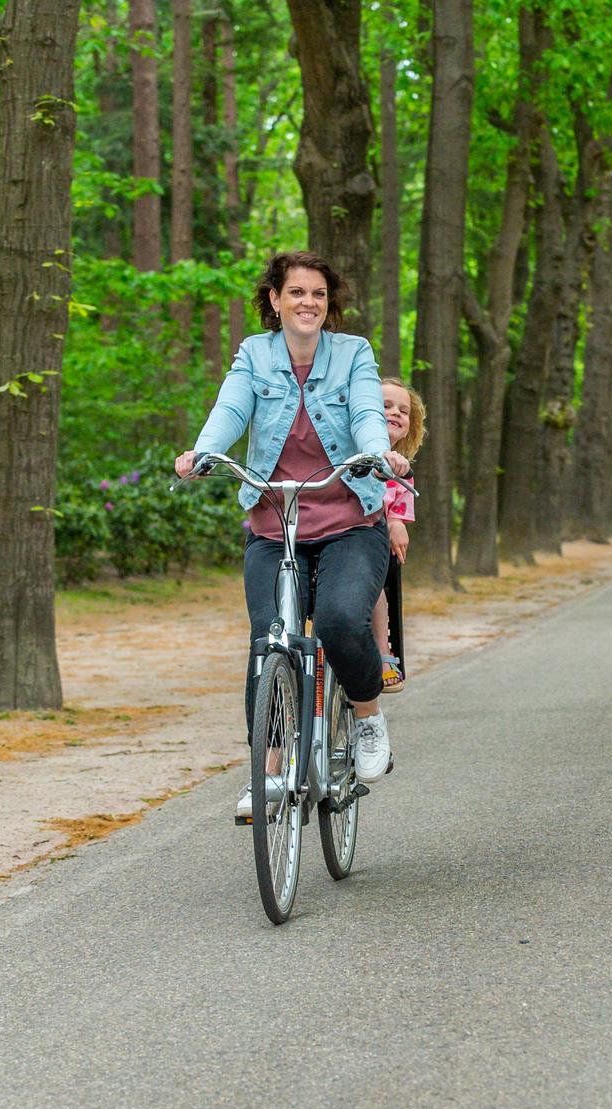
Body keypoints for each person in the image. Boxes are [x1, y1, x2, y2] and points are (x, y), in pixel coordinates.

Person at [173, 251, 411, 820]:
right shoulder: (254, 354)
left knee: (338, 620)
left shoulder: (353, 353)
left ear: (329, 304)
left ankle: (368, 716)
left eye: (319, 294)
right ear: (275, 300)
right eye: (297, 292)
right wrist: (205, 451)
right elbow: (232, 408)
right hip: (275, 525)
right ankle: (269, 774)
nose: (309, 303)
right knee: (269, 641)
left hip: (349, 522)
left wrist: (378, 452)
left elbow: (365, 412)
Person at [372, 376, 427, 692]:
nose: (395, 413)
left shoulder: (403, 469)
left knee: (374, 585)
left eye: (403, 411)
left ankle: (383, 654)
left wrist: (395, 523)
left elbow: (398, 507)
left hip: (372, 546)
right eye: (386, 406)